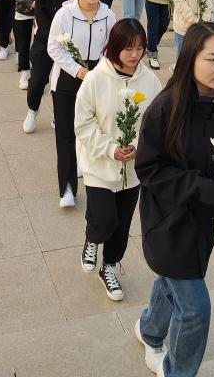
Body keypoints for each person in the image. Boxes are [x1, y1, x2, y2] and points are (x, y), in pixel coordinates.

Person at [135, 22, 214, 377]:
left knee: (171, 282)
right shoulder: (165, 108)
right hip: (168, 223)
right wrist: (202, 188)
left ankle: (149, 329)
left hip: (204, 224)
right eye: (212, 59)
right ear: (191, 58)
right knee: (195, 308)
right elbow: (149, 168)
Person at [75, 19, 161, 300]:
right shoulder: (95, 79)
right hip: (99, 164)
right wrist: (110, 148)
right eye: (128, 48)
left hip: (132, 169)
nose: (135, 55)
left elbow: (155, 123)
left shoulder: (150, 81)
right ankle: (92, 238)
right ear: (114, 47)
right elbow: (83, 123)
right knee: (104, 219)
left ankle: (109, 266)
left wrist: (136, 146)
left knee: (122, 223)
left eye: (140, 48)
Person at [47, 0, 115, 207]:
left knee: (93, 130)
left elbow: (111, 47)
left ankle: (91, 173)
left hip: (97, 78)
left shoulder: (108, 14)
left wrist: (101, 70)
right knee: (65, 134)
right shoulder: (65, 14)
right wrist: (78, 70)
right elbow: (54, 47)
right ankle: (66, 189)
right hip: (67, 79)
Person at [23, 0, 85, 133]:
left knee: (67, 83)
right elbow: (40, 10)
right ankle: (32, 110)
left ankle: (60, 115)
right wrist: (54, 34)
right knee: (38, 79)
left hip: (74, 42)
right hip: (46, 37)